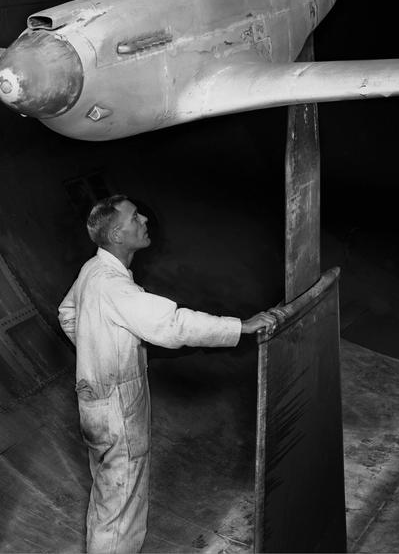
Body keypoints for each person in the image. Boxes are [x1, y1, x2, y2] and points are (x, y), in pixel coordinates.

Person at [58, 194, 279, 553]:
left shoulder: (92, 271)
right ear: (116, 234)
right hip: (117, 409)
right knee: (121, 510)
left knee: (108, 496)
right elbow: (173, 324)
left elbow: (67, 313)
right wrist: (241, 326)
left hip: (94, 401)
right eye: (134, 218)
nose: (144, 219)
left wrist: (98, 352)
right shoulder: (114, 286)